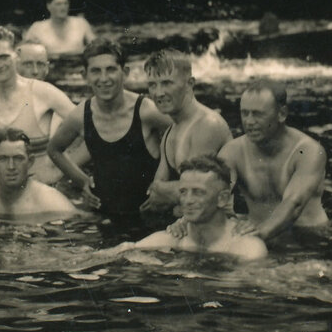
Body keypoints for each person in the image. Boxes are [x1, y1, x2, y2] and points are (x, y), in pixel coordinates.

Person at [45, 39, 168, 238]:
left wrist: (165, 183)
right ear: (85, 76)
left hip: (151, 218)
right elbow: (54, 150)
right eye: (96, 71)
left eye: (111, 69)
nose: (104, 78)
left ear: (125, 73)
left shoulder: (146, 110)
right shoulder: (80, 116)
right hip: (106, 217)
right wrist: (82, 181)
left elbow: (184, 132)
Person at [216, 80, 329, 246]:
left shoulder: (308, 151)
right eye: (244, 113)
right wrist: (186, 222)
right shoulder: (232, 152)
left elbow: (294, 203)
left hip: (308, 239)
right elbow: (213, 193)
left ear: (282, 114)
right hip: (257, 236)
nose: (249, 121)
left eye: (257, 114)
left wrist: (258, 236)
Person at [0, 27, 79, 186]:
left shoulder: (43, 92)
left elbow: (91, 129)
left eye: (4, 57)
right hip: (0, 191)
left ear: (17, 56)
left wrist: (62, 170)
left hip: (42, 190)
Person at [120, 155, 266, 260]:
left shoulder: (247, 248)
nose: (188, 200)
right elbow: (121, 251)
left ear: (222, 199)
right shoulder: (173, 239)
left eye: (198, 192)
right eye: (183, 192)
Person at [142, 48, 234, 212]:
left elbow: (196, 195)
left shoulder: (207, 125)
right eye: (152, 85)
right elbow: (155, 196)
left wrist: (166, 192)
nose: (158, 93)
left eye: (167, 83)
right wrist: (167, 193)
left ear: (189, 84)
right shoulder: (170, 133)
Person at [0, 128, 78, 220]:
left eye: (18, 158)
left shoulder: (53, 203)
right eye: (3, 159)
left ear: (30, 162)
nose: (11, 166)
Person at [23, 0, 97, 60]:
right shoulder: (37, 27)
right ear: (48, 6)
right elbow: (23, 51)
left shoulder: (80, 23)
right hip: (51, 68)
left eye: (66, 3)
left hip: (78, 66)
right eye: (58, 4)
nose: (63, 8)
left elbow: (97, 47)